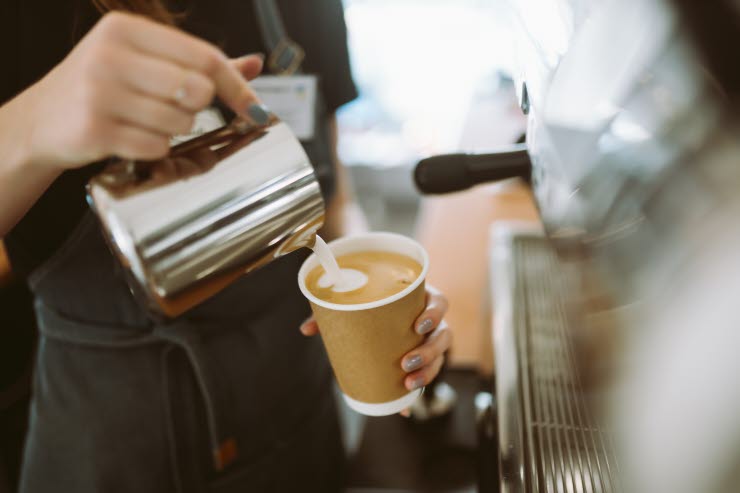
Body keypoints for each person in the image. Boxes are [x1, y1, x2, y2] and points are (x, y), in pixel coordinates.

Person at [0, 1, 453, 492]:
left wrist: (385, 310)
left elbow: (336, 208)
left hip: (299, 426)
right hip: (120, 454)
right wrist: (31, 126)